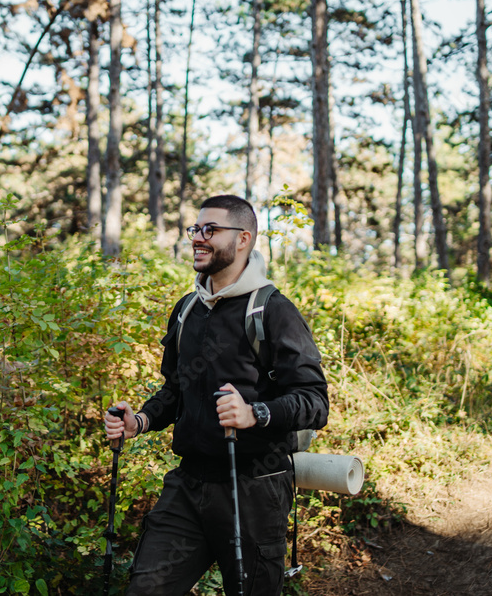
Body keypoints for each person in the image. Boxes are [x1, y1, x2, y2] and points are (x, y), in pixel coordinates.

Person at [104, 194, 329, 595]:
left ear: (243, 239)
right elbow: (176, 389)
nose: (198, 238)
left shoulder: (273, 311)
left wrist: (254, 413)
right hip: (188, 486)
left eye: (211, 230)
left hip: (256, 490)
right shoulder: (188, 308)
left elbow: (314, 402)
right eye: (196, 229)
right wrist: (139, 421)